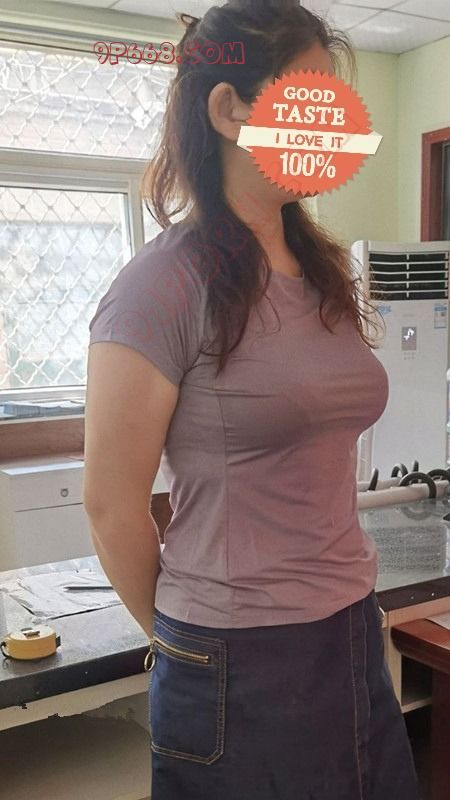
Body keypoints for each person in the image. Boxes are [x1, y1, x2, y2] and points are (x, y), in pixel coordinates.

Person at [84, 2, 422, 798]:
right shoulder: (162, 285)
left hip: (348, 629)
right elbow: (110, 506)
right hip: (236, 655)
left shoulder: (320, 272)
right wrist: (194, 651)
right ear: (229, 109)